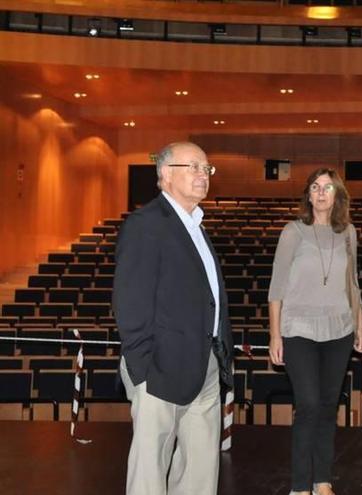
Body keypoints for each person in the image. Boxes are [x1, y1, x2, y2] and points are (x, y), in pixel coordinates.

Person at [113, 141, 233, 495]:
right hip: (160, 367)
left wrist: (221, 354)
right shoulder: (145, 224)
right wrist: (142, 366)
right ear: (165, 174)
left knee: (200, 469)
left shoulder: (195, 225)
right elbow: (130, 301)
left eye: (206, 168)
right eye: (193, 167)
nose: (203, 175)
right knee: (150, 469)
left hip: (206, 363)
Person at [268, 168, 362, 495]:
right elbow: (277, 288)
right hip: (298, 328)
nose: (321, 192)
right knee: (309, 404)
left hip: (339, 328)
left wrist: (360, 327)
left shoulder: (349, 233)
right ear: (308, 195)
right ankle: (300, 485)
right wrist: (275, 335)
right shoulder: (293, 232)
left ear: (337, 195)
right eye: (315, 187)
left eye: (328, 187)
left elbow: (352, 284)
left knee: (327, 405)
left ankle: (322, 479)